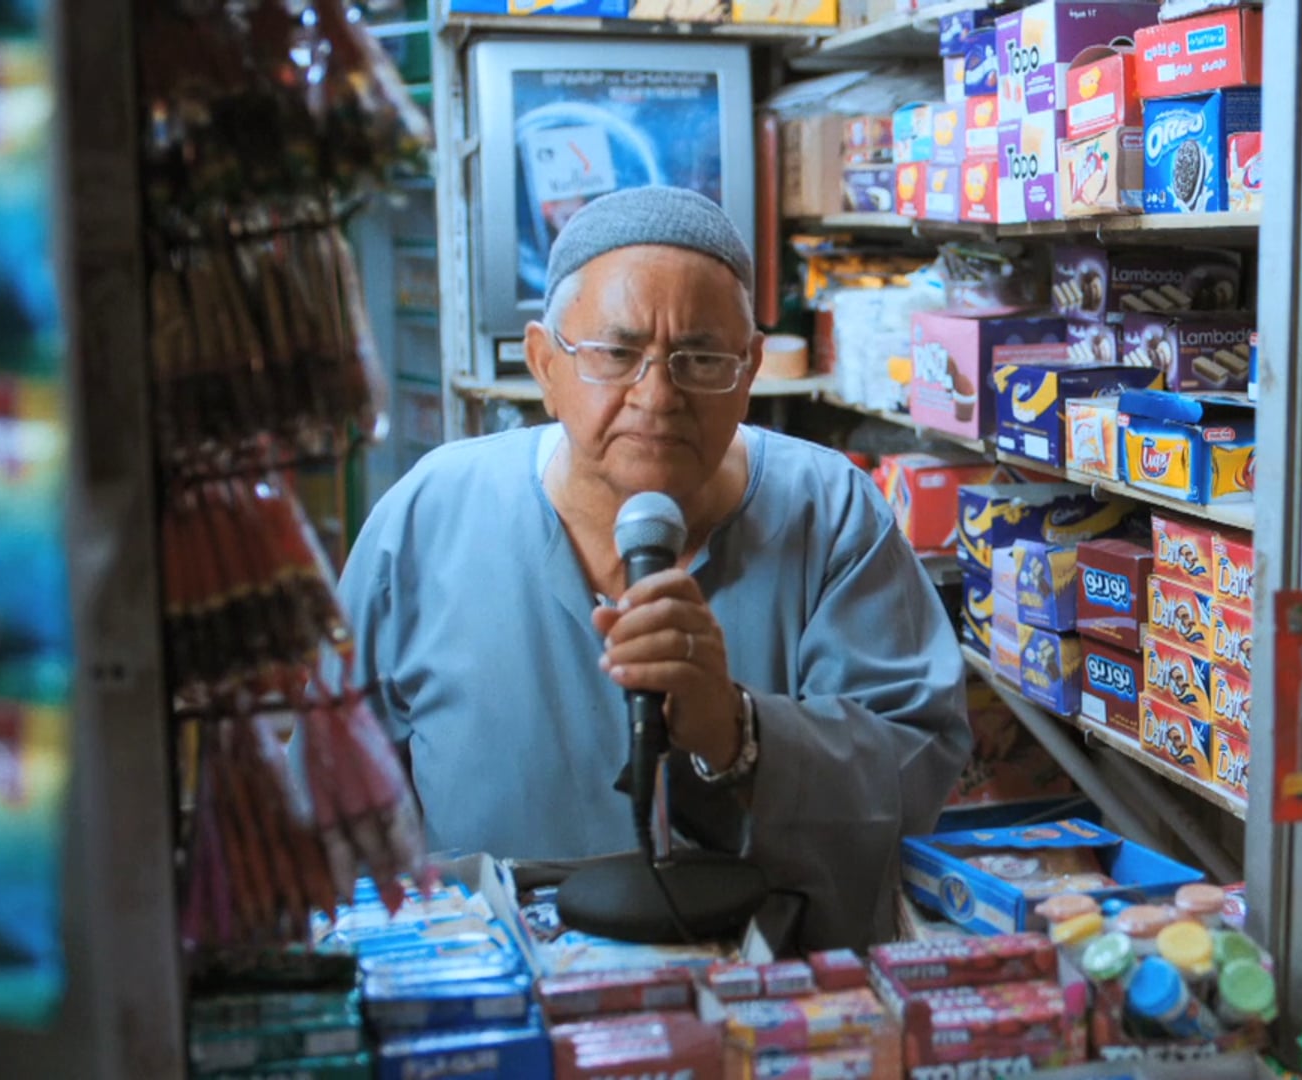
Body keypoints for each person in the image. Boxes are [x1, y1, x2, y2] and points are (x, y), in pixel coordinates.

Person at [338, 186, 971, 948]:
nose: (658, 395)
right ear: (545, 361)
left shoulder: (828, 512)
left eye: (700, 358)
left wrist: (739, 734)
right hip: (499, 999)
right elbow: (329, 793)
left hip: (768, 1008)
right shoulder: (430, 518)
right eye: (616, 353)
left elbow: (919, 766)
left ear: (750, 371)